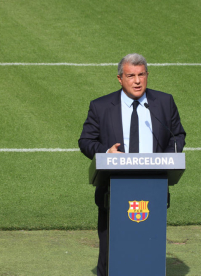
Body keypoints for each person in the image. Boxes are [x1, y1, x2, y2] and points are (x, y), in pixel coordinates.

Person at [78, 53, 186, 276]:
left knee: (149, 249)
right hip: (112, 191)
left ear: (147, 75)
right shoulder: (100, 106)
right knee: (111, 256)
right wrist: (105, 153)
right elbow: (86, 140)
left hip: (153, 190)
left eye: (141, 75)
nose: (137, 81)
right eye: (131, 76)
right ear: (120, 79)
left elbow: (177, 136)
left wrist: (165, 159)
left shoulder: (164, 103)